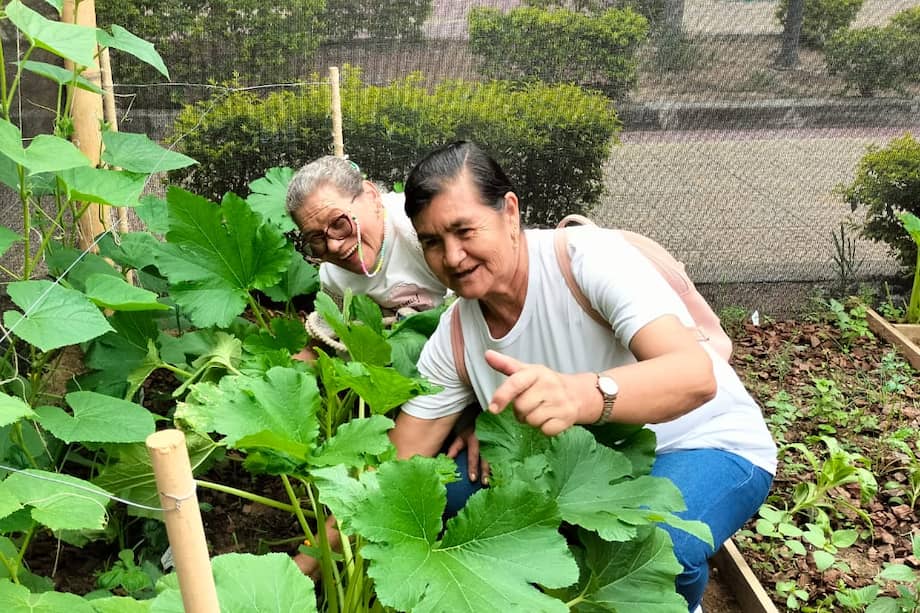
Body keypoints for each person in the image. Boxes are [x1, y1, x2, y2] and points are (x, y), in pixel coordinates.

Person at [386, 141, 777, 612]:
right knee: (444, 489)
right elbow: (398, 464)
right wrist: (310, 558)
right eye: (432, 241)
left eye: (464, 230)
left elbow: (695, 375)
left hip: (703, 443)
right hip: (585, 471)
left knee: (656, 548)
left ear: (509, 212)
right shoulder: (454, 335)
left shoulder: (587, 260)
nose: (452, 256)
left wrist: (581, 394)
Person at [285, 155, 448, 314]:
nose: (333, 246)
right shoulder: (333, 278)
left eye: (339, 223)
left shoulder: (420, 226)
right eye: (316, 238)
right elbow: (337, 329)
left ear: (371, 196)